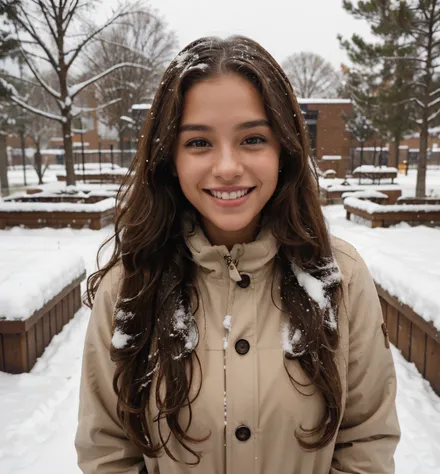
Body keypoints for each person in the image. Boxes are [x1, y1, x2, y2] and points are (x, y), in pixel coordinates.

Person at [75, 35, 400, 474]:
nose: (227, 166)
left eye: (251, 139)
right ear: (169, 156)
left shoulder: (342, 278)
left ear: (283, 149)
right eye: (199, 143)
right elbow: (108, 452)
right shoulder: (129, 284)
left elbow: (366, 441)